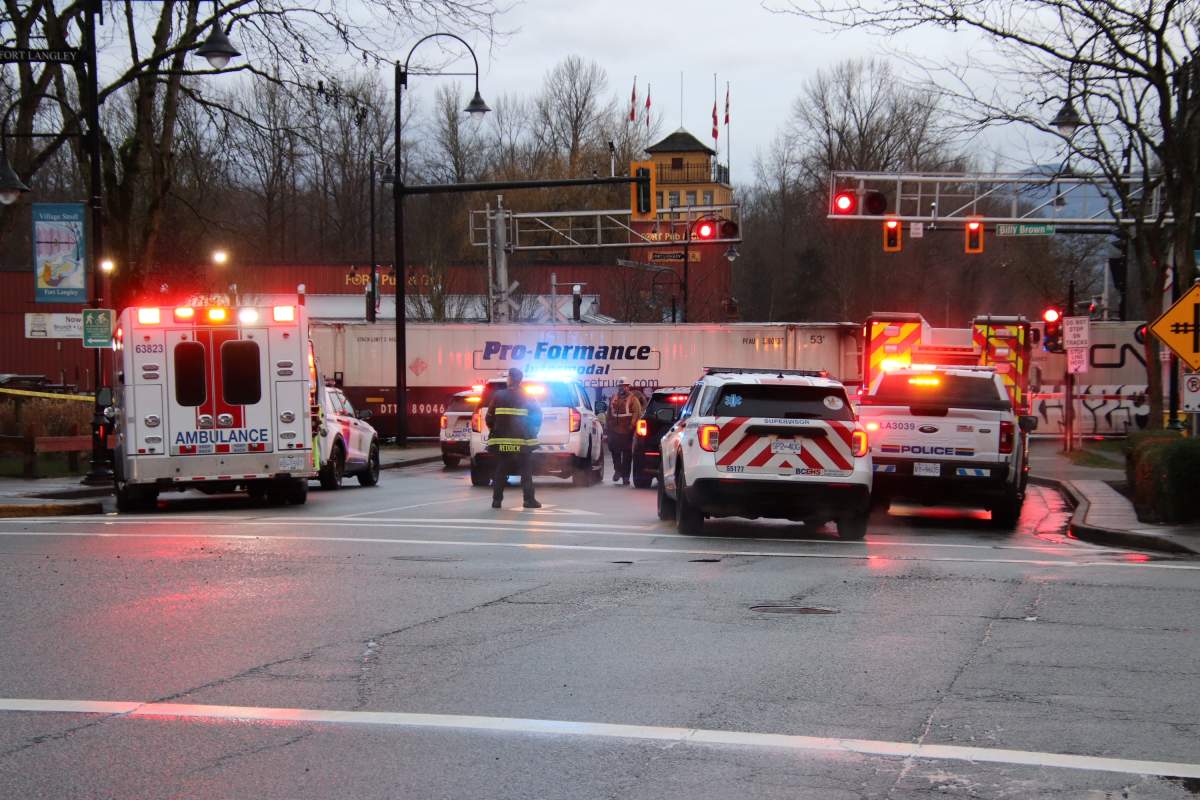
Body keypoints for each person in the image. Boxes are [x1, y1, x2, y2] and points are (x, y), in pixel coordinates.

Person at [484, 367, 543, 509]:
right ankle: (529, 500)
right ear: (520, 380)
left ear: (510, 378)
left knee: (501, 470)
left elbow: (489, 417)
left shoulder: (498, 396)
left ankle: (496, 501)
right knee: (526, 471)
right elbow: (537, 416)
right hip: (522, 442)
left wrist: (495, 429)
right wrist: (531, 431)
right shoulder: (527, 396)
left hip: (502, 441)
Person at [606, 378, 644, 485]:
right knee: (615, 452)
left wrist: (631, 426)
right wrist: (607, 427)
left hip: (627, 431)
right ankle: (618, 471)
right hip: (614, 431)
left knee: (627, 455)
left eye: (624, 386)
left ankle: (625, 477)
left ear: (628, 387)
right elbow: (609, 413)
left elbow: (637, 413)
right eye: (620, 386)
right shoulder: (614, 398)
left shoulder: (633, 399)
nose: (622, 388)